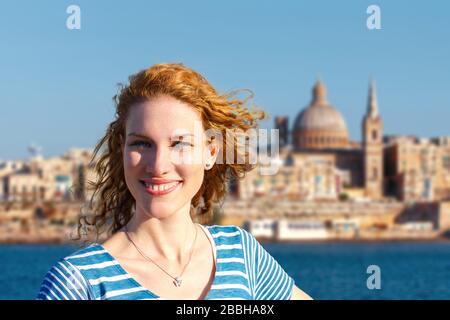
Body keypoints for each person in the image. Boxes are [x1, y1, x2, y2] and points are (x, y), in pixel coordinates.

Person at [36, 63, 312, 300]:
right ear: (122, 149)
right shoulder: (78, 282)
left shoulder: (241, 254)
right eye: (142, 144)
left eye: (179, 144)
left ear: (211, 152)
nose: (158, 166)